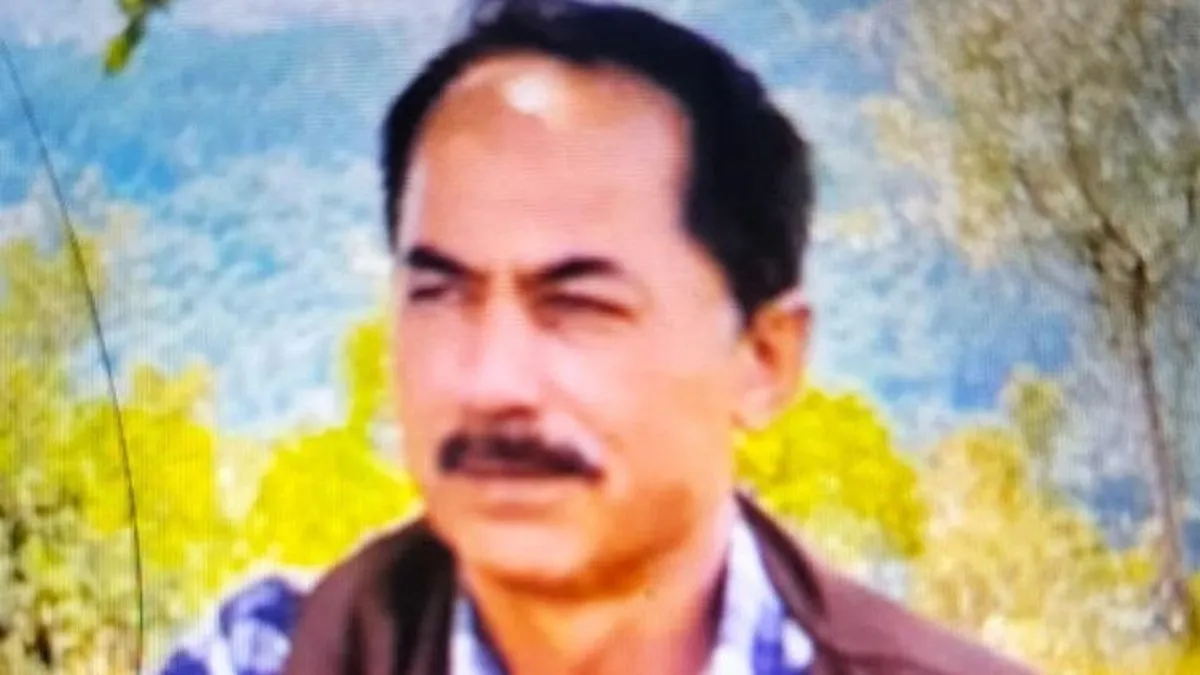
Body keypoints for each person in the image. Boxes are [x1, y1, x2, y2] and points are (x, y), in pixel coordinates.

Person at [161, 1, 1038, 674]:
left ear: (765, 358)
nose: (493, 380)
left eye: (576, 305)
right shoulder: (273, 656)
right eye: (441, 291)